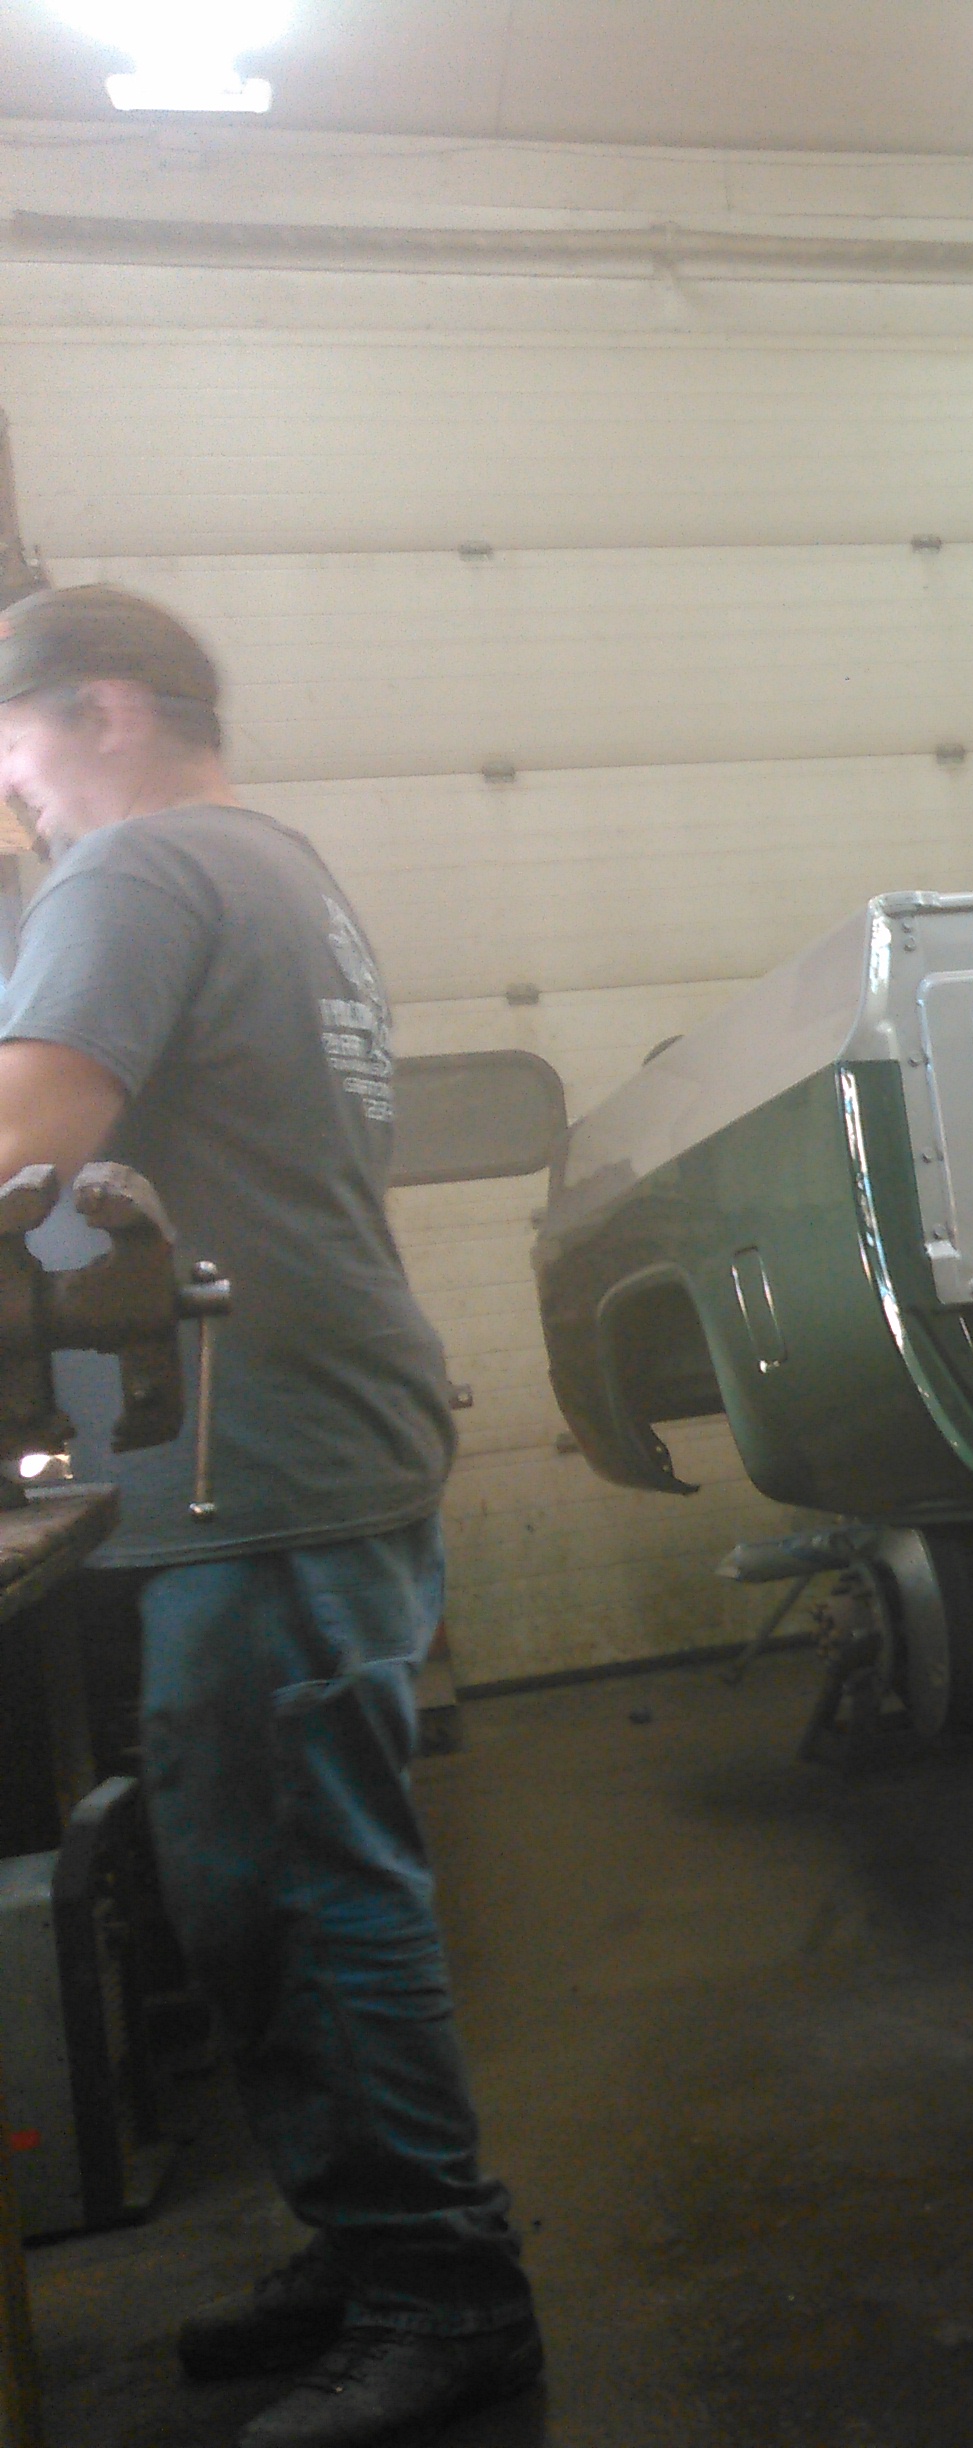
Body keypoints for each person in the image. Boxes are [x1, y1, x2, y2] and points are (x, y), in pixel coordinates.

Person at [0, 588, 540, 2447]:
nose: (12, 798)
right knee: (263, 1890)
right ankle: (366, 2232)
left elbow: (24, 1137)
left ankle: (441, 2293)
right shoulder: (272, 867)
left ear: (105, 709)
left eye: (12, 751)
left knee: (301, 1892)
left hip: (263, 1455)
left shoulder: (138, 872)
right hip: (294, 1435)